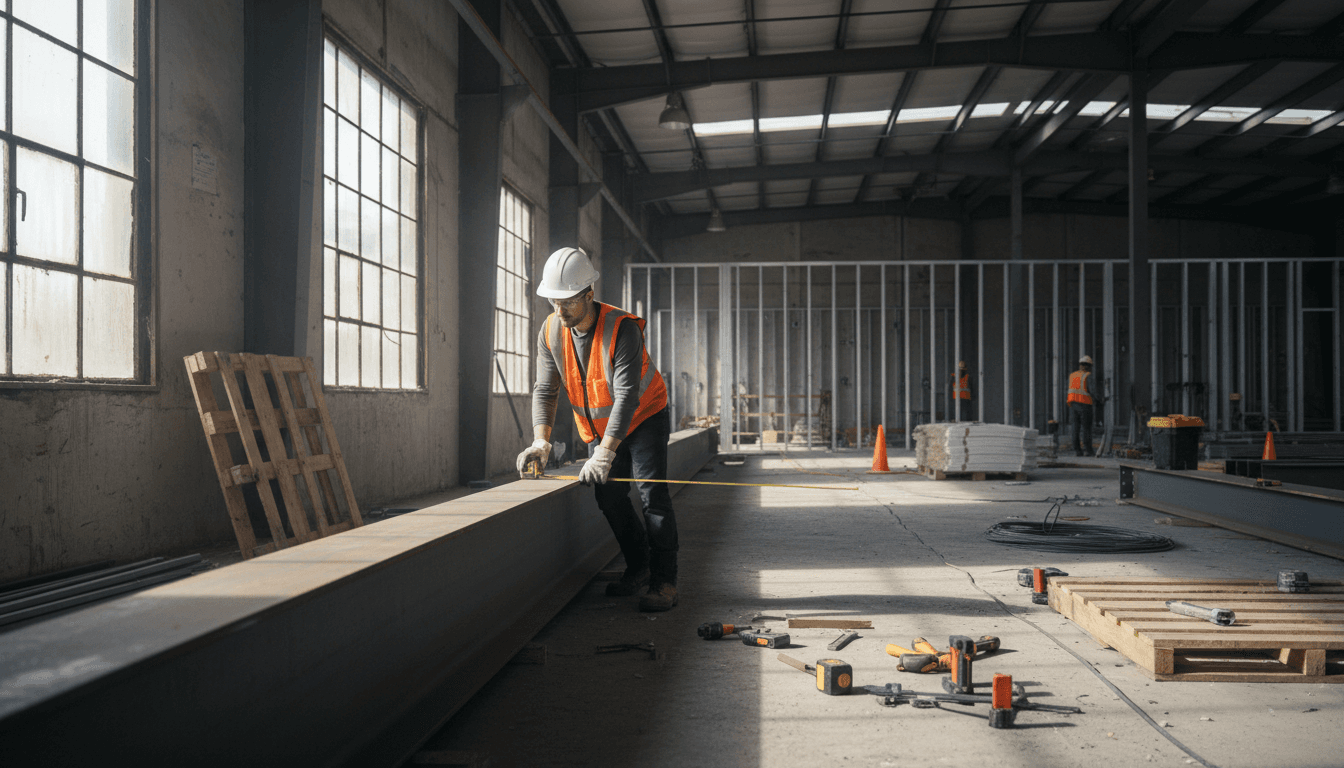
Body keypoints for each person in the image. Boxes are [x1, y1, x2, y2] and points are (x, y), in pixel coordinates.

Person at [516, 247, 679, 612]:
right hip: (603, 428)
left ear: (589, 294)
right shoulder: (552, 331)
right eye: (554, 302)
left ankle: (665, 581)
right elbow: (546, 389)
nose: (560, 312)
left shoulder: (622, 330)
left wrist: (605, 453)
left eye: (569, 303)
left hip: (644, 416)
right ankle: (638, 568)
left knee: (652, 495)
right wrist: (541, 440)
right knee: (608, 498)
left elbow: (626, 395)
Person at [1067, 355, 1095, 457]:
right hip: (1085, 404)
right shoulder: (1087, 375)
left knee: (1075, 428)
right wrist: (1100, 400)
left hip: (1073, 405)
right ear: (1088, 366)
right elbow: (1092, 391)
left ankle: (1078, 451)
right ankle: (1088, 450)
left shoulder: (1072, 375)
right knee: (1086, 428)